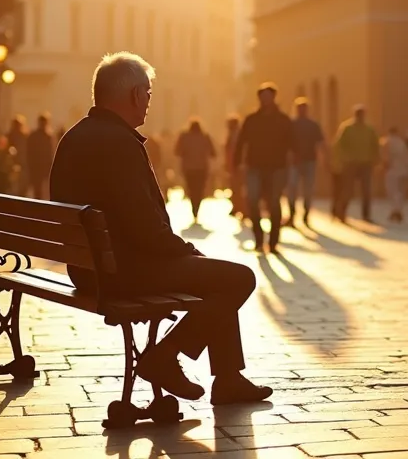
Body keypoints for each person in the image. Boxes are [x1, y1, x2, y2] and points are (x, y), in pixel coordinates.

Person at [50, 52, 271, 405]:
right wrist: (186, 250)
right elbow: (144, 228)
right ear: (135, 94)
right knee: (237, 277)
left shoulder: (75, 137)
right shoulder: (119, 143)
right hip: (124, 269)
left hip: (90, 267)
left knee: (217, 277)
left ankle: (227, 378)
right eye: (149, 94)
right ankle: (166, 357)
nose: (150, 103)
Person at [235, 84, 294, 253]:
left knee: (274, 203)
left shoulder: (283, 120)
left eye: (268, 96)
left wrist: (294, 159)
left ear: (274, 97)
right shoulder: (252, 119)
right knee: (252, 201)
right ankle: (259, 239)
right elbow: (241, 142)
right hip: (255, 166)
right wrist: (237, 162)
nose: (265, 100)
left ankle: (274, 242)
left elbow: (292, 141)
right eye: (263, 96)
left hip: (277, 167)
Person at [333, 105, 380, 223]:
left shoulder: (369, 129)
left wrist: (376, 159)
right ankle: (341, 213)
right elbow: (339, 145)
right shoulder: (347, 128)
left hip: (365, 163)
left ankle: (366, 215)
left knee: (366, 191)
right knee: (348, 190)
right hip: (350, 163)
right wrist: (342, 159)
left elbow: (375, 145)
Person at [286, 98, 325, 228]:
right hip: (295, 162)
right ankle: (292, 214)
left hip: (309, 160)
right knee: (292, 189)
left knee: (307, 189)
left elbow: (320, 142)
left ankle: (305, 214)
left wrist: (322, 158)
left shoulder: (313, 125)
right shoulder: (291, 124)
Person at [175, 117, 217, 224]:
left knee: (191, 189)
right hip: (202, 168)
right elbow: (213, 152)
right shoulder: (205, 137)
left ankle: (194, 209)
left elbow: (177, 151)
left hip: (188, 168)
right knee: (199, 190)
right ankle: (196, 209)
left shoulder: (184, 137)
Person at [383, 126, 408, 223]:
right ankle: (398, 210)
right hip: (405, 171)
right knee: (401, 192)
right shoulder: (402, 143)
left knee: (392, 192)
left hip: (392, 170)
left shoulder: (387, 142)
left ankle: (395, 211)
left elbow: (385, 156)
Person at [25, 113, 56, 200]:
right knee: (39, 190)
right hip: (38, 167)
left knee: (40, 190)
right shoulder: (46, 136)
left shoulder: (46, 136)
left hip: (41, 167)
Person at [224, 116, 244, 219]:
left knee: (238, 188)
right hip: (234, 165)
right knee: (236, 188)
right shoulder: (233, 134)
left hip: (237, 166)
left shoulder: (237, 135)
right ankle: (237, 207)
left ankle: (240, 208)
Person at [6, 115, 29, 196]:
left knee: (22, 186)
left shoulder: (25, 136)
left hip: (22, 163)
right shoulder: (10, 136)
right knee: (15, 186)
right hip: (13, 164)